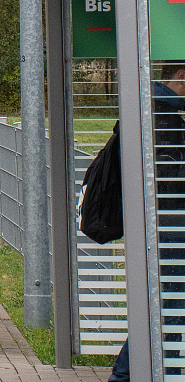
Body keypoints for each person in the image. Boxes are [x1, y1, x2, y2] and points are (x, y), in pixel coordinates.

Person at [108, 64, 185, 382]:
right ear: (181, 76)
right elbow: (168, 181)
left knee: (164, 307)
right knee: (167, 308)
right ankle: (136, 374)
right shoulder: (160, 116)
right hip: (168, 228)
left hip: (159, 227)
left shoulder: (149, 107)